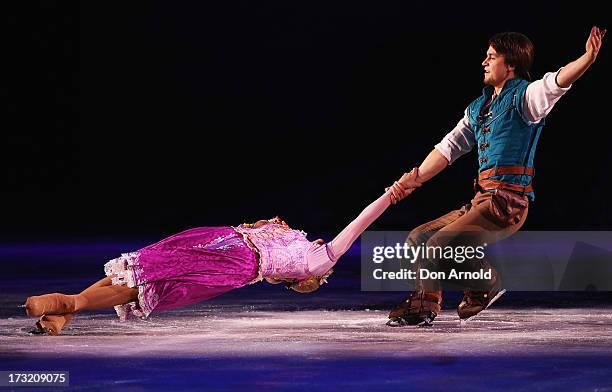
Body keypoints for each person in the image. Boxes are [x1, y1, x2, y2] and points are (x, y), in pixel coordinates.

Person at [385, 26, 606, 326]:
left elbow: (556, 82)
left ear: (510, 64)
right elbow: (449, 147)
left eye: (491, 57)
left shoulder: (525, 98)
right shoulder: (479, 108)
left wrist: (587, 58)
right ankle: (427, 302)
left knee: (439, 245)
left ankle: (485, 281)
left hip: (507, 203)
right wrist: (414, 179)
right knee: (418, 239)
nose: (484, 62)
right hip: (482, 200)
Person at [23, 170, 421, 335]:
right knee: (144, 266)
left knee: (148, 277)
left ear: (305, 278)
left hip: (233, 259)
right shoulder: (290, 234)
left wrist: (392, 194)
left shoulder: (318, 260)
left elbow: (358, 224)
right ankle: (68, 309)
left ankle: (67, 306)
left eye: (314, 281)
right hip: (224, 240)